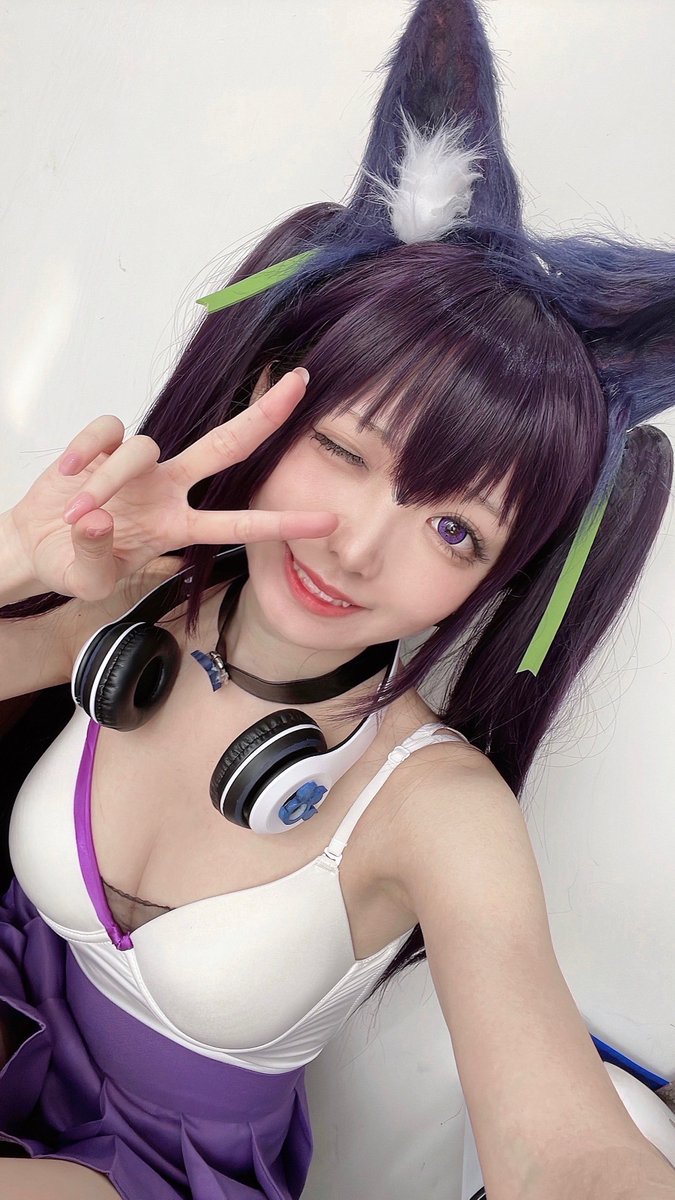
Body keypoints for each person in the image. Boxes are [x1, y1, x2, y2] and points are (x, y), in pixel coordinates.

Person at [1, 1, 674, 1198]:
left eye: (455, 528)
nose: (359, 548)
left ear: (503, 575)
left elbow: (560, 1147)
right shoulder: (132, 606)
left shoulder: (436, 811)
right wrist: (15, 563)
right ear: (272, 402)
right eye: (345, 450)